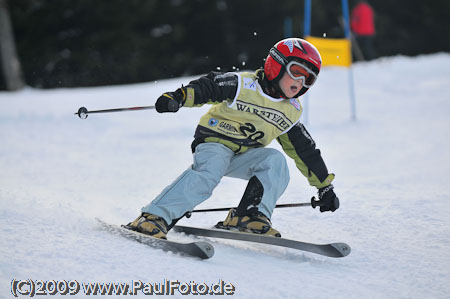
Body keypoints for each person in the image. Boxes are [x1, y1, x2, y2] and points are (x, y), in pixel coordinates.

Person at [127, 38, 340, 239]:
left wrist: (324, 186)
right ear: (277, 65)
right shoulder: (244, 85)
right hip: (215, 142)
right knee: (209, 174)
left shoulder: (290, 111)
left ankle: (248, 215)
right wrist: (179, 97)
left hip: (246, 154)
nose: (300, 82)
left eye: (309, 78)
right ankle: (154, 216)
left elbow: (305, 151)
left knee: (275, 162)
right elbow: (209, 87)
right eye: (296, 72)